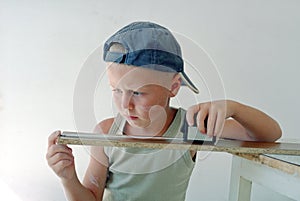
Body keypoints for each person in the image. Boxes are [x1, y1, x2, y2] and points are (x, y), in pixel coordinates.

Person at [46, 21, 282, 201]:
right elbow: (91, 197)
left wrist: (234, 108)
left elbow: (268, 135)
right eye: (116, 90)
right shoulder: (106, 133)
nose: (125, 104)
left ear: (173, 87)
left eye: (138, 93)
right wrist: (68, 178)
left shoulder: (190, 129)